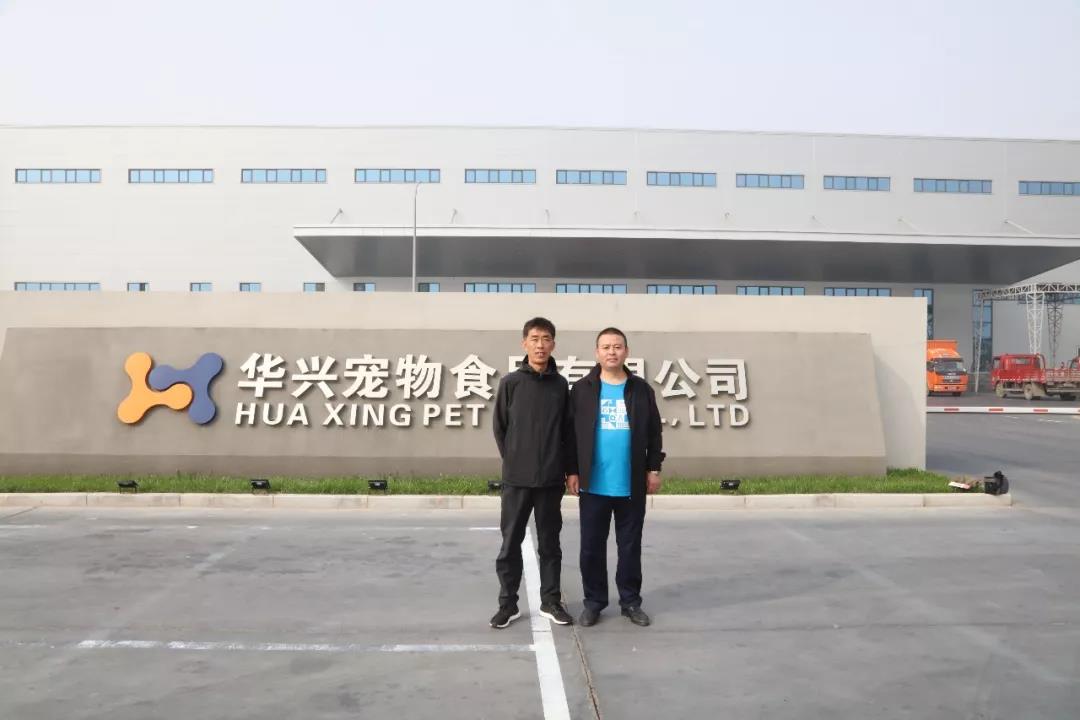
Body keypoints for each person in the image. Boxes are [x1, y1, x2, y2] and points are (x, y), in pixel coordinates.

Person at [567, 327, 664, 627]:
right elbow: (570, 434)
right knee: (591, 548)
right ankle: (594, 602)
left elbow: (654, 432)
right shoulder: (582, 389)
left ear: (626, 351)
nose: (612, 352)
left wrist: (654, 469)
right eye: (606, 347)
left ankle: (630, 602)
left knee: (630, 547)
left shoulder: (640, 389)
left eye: (617, 346)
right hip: (593, 484)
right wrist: (572, 470)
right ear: (597, 352)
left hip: (631, 484)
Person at [490, 317, 575, 629]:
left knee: (550, 544)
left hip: (551, 480)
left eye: (546, 339)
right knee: (510, 543)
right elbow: (500, 428)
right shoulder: (511, 383)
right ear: (524, 343)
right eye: (535, 339)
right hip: (516, 480)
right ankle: (508, 605)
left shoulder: (561, 386)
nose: (540, 345)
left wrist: (568, 469)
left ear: (553, 344)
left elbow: (568, 432)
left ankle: (550, 601)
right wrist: (515, 459)